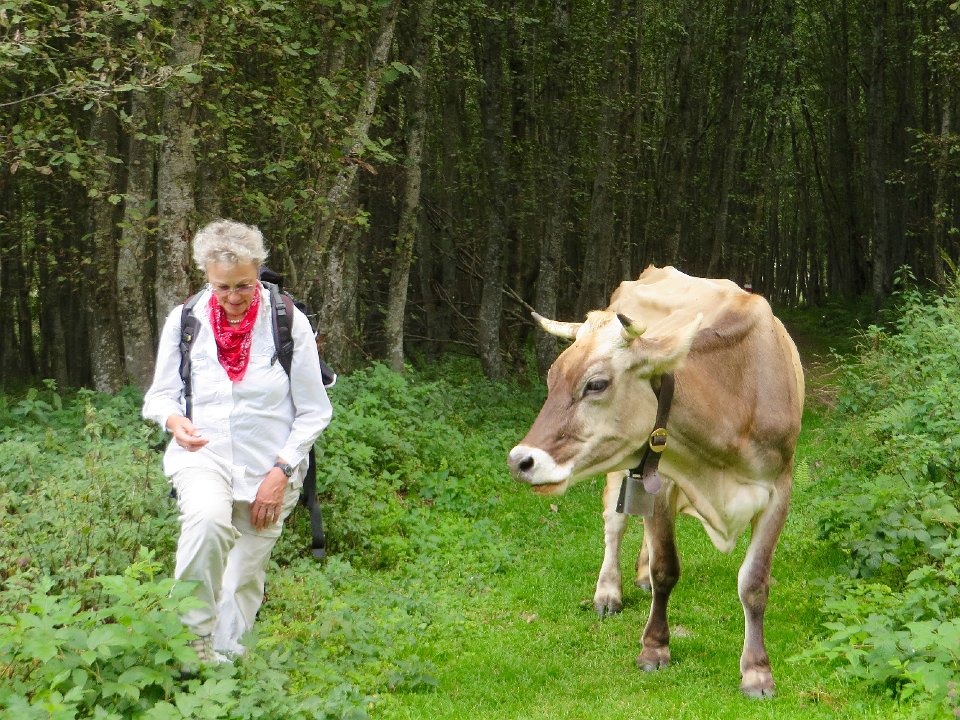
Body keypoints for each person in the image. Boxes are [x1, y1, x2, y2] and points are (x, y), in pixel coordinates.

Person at [142, 219, 333, 662]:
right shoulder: (185, 320)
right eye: (222, 287)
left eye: (243, 285)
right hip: (203, 456)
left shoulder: (287, 321)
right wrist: (174, 419)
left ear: (258, 272)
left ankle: (225, 663)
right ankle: (191, 648)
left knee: (243, 574)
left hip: (271, 464)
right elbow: (160, 395)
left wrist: (281, 472)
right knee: (207, 522)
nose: (232, 297)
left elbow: (314, 410)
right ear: (207, 277)